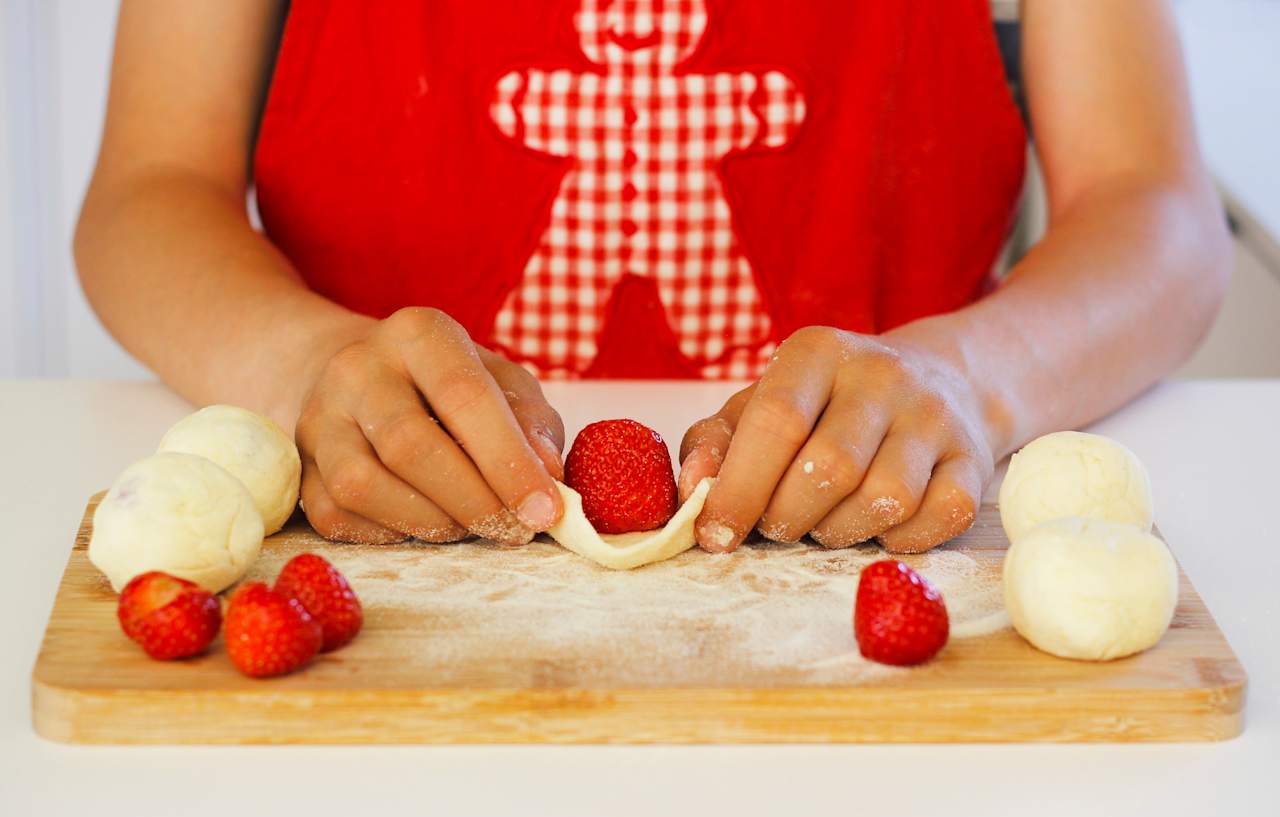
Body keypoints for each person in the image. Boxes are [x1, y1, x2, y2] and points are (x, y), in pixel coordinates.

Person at [75, 0, 1231, 555]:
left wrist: (973, 378)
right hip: (367, 539)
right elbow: (150, 190)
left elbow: (1152, 211)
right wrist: (302, 362)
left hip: (888, 539)